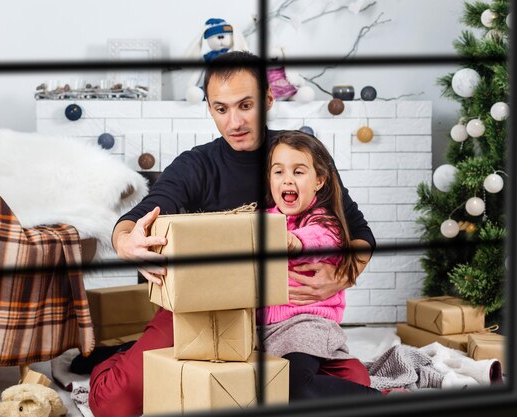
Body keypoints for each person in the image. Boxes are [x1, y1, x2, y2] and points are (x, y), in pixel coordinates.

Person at [88, 51, 376, 417]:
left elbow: (359, 232)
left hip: (286, 318)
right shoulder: (197, 165)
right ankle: (113, 359)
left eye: (245, 105)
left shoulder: (298, 159)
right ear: (208, 108)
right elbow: (140, 215)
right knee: (116, 402)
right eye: (221, 109)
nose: (235, 121)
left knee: (352, 384)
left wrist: (342, 274)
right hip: (203, 309)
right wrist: (125, 240)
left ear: (269, 100)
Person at [261, 130, 382, 400]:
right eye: (278, 172)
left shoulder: (324, 222)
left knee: (293, 386)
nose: (287, 180)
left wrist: (293, 242)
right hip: (264, 329)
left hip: (307, 324)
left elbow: (317, 241)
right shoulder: (264, 218)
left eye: (299, 172)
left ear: (319, 181)